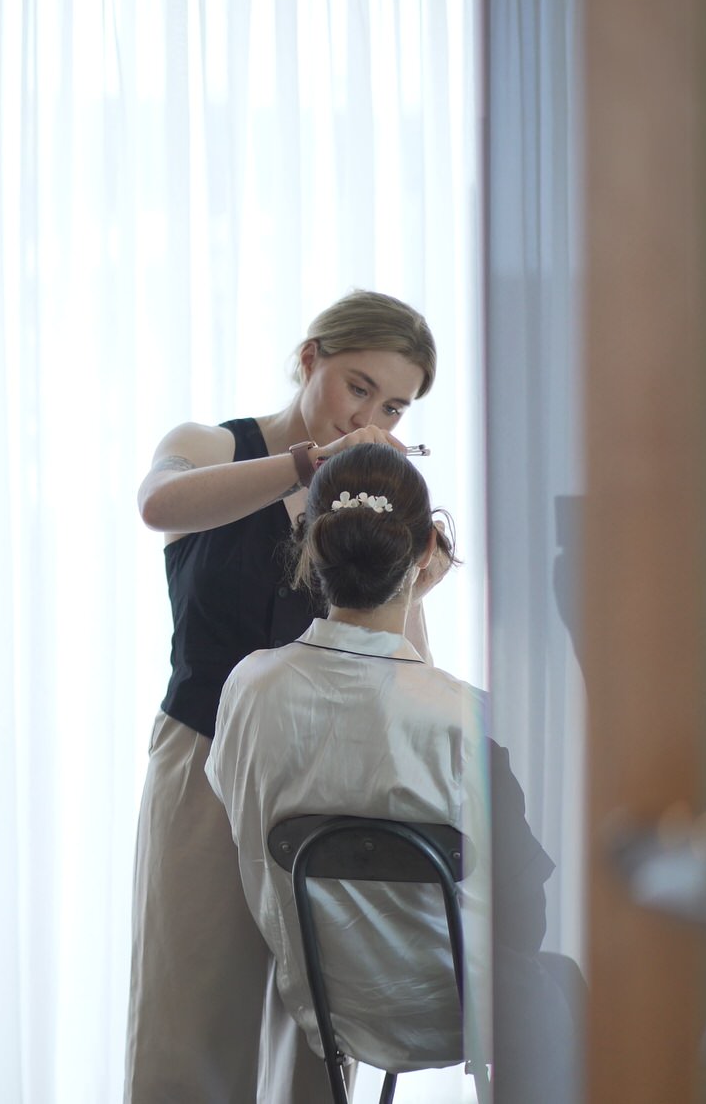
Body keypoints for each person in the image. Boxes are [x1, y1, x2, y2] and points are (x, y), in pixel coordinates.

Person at [127, 291, 438, 1102]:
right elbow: (158, 506)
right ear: (310, 360)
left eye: (395, 404)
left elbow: (403, 666)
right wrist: (305, 465)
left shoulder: (369, 491)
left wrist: (415, 587)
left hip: (323, 775)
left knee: (320, 1028)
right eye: (358, 386)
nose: (372, 414)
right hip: (199, 760)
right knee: (185, 1012)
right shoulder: (209, 445)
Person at [206, 442, 580, 1101]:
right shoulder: (464, 715)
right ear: (426, 552)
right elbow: (526, 921)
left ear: (309, 548)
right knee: (567, 981)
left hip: (331, 1008)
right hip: (463, 1012)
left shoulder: (249, 688)